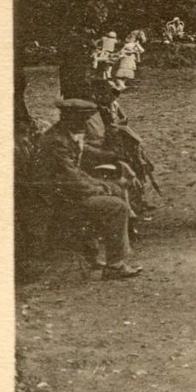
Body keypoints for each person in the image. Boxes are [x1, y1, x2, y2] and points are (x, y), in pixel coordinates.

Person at [38, 99, 143, 279]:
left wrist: (106, 183)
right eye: (82, 119)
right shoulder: (57, 141)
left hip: (65, 193)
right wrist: (105, 188)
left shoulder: (64, 135)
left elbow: (76, 172)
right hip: (55, 199)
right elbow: (72, 180)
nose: (85, 124)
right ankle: (115, 266)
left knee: (114, 193)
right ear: (69, 118)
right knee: (115, 207)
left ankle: (93, 257)